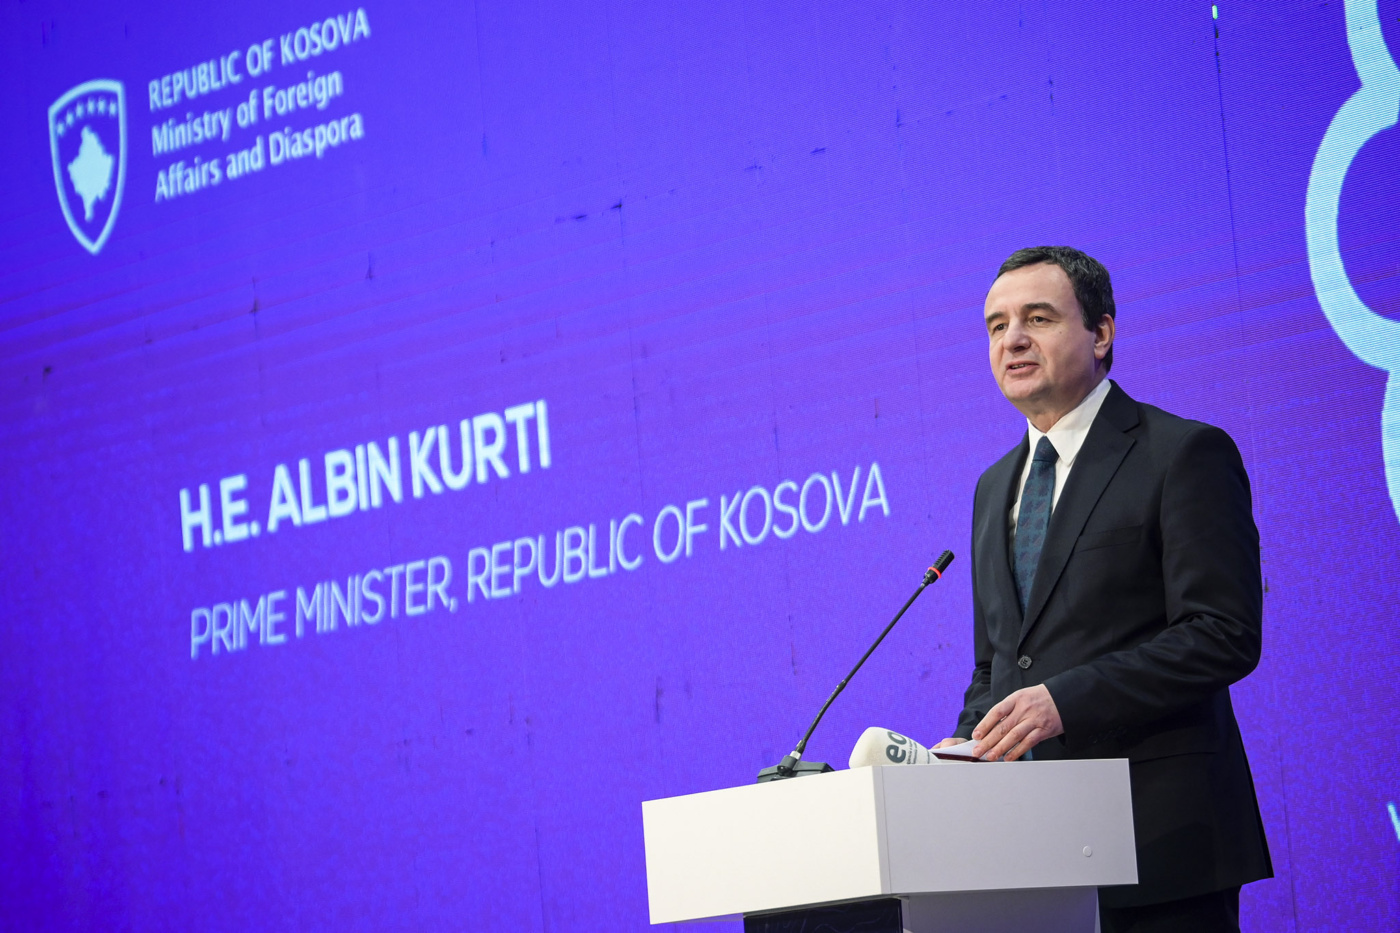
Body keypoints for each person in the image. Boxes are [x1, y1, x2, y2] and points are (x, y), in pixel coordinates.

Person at [934, 246, 1272, 932]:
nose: (1012, 339)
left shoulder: (1181, 453)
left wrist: (1066, 700)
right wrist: (963, 751)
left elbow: (1222, 634)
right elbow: (997, 662)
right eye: (997, 325)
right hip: (1035, 857)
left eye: (1038, 318)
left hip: (1161, 842)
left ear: (1102, 332)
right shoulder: (993, 487)